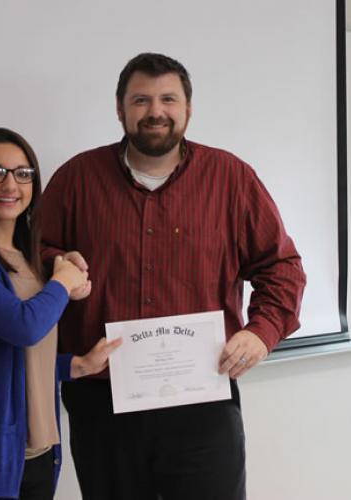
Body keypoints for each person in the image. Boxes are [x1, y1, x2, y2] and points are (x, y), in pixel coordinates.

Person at [40, 53, 306, 500]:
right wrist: (57, 265)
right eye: (140, 100)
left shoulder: (231, 178)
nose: (155, 111)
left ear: (188, 109)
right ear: (120, 109)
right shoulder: (75, 180)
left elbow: (281, 267)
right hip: (102, 402)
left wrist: (262, 332)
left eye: (168, 99)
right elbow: (31, 259)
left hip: (203, 397)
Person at [0, 127, 121, 500]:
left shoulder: (33, 263)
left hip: (40, 454)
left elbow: (16, 358)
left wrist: (76, 366)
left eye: (23, 173)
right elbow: (24, 327)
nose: (10, 184)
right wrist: (63, 283)